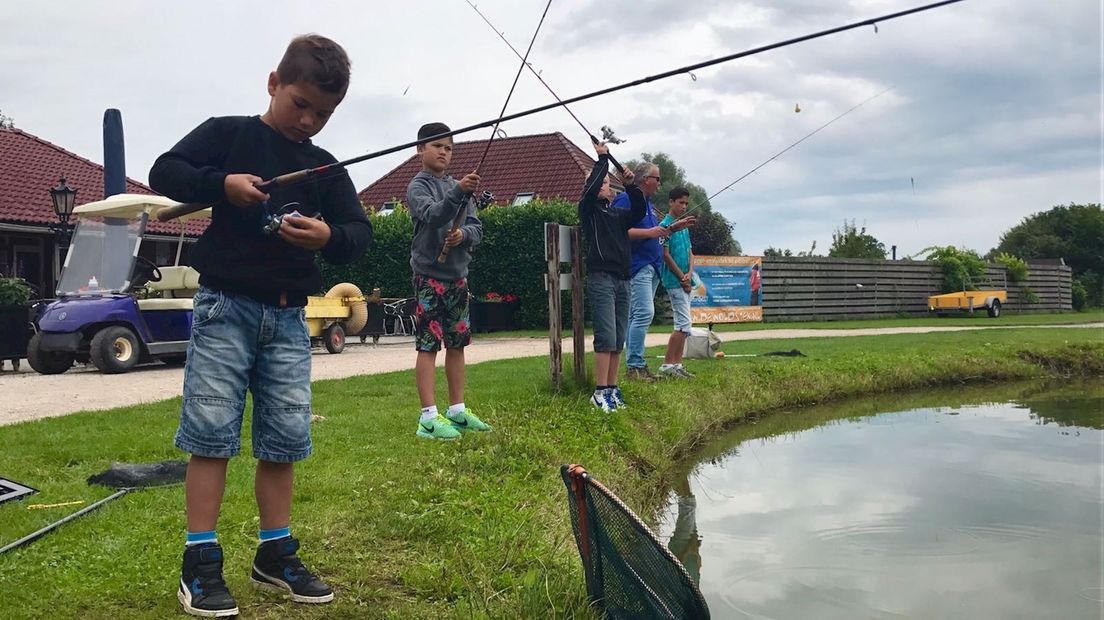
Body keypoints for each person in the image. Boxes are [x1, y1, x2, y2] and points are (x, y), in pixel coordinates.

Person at [148, 34, 372, 617]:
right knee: (211, 433)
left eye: (323, 113)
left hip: (290, 317)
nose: (309, 120)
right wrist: (221, 184)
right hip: (226, 306)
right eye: (300, 103)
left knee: (284, 439)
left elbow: (358, 234)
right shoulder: (230, 134)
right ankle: (200, 562)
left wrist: (330, 237)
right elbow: (163, 170)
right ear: (273, 83)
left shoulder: (323, 168)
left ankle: (274, 553)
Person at [406, 122, 493, 440]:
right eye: (437, 146)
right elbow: (434, 215)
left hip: (458, 277)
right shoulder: (418, 186)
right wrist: (459, 192)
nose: (444, 152)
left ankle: (457, 411)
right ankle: (428, 417)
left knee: (457, 344)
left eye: (449, 147)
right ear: (420, 150)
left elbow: (477, 229)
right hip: (429, 277)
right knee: (428, 344)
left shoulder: (461, 187)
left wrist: (462, 236)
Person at [578, 142, 646, 411]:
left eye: (608, 183)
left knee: (618, 337)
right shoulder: (588, 210)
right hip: (601, 278)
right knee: (605, 336)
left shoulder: (617, 214)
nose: (605, 186)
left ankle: (613, 388)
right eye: (603, 183)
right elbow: (592, 185)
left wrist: (631, 185)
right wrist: (602, 160)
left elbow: (639, 211)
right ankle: (599, 391)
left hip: (623, 278)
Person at [612, 162, 695, 381]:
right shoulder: (626, 199)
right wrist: (650, 232)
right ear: (644, 179)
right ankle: (635, 365)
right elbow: (617, 231)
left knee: (636, 316)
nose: (659, 183)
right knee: (644, 313)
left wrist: (671, 229)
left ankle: (636, 365)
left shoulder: (647, 203)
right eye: (656, 178)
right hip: (638, 265)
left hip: (652, 266)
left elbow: (656, 233)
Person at [659, 187, 695, 378]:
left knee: (683, 324)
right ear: (671, 202)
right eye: (680, 202)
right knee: (683, 324)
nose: (684, 206)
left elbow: (690, 252)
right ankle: (667, 364)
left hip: (687, 280)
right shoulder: (665, 226)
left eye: (686, 203)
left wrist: (689, 273)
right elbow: (665, 255)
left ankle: (677, 364)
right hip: (674, 281)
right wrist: (682, 277)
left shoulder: (684, 226)